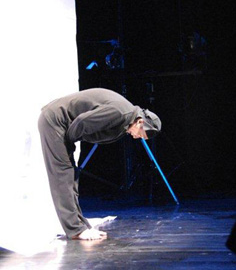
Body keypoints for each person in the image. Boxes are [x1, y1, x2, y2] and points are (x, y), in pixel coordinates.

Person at [38, 88, 161, 240]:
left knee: (71, 176)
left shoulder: (125, 117)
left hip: (59, 123)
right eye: (140, 134)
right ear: (140, 122)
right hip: (54, 122)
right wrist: (68, 140)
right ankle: (76, 230)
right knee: (62, 175)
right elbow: (82, 121)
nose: (136, 137)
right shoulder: (120, 113)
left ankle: (79, 224)